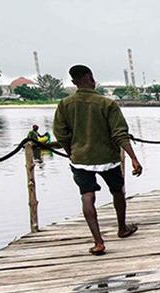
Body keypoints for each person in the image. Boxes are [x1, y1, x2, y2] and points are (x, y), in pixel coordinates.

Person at [53, 64, 143, 255]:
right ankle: (122, 228)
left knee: (87, 196)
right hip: (107, 157)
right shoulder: (106, 104)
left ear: (74, 82)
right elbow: (120, 133)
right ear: (91, 78)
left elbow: (60, 134)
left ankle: (98, 242)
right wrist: (133, 158)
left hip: (80, 158)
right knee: (118, 191)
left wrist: (72, 151)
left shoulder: (65, 104)